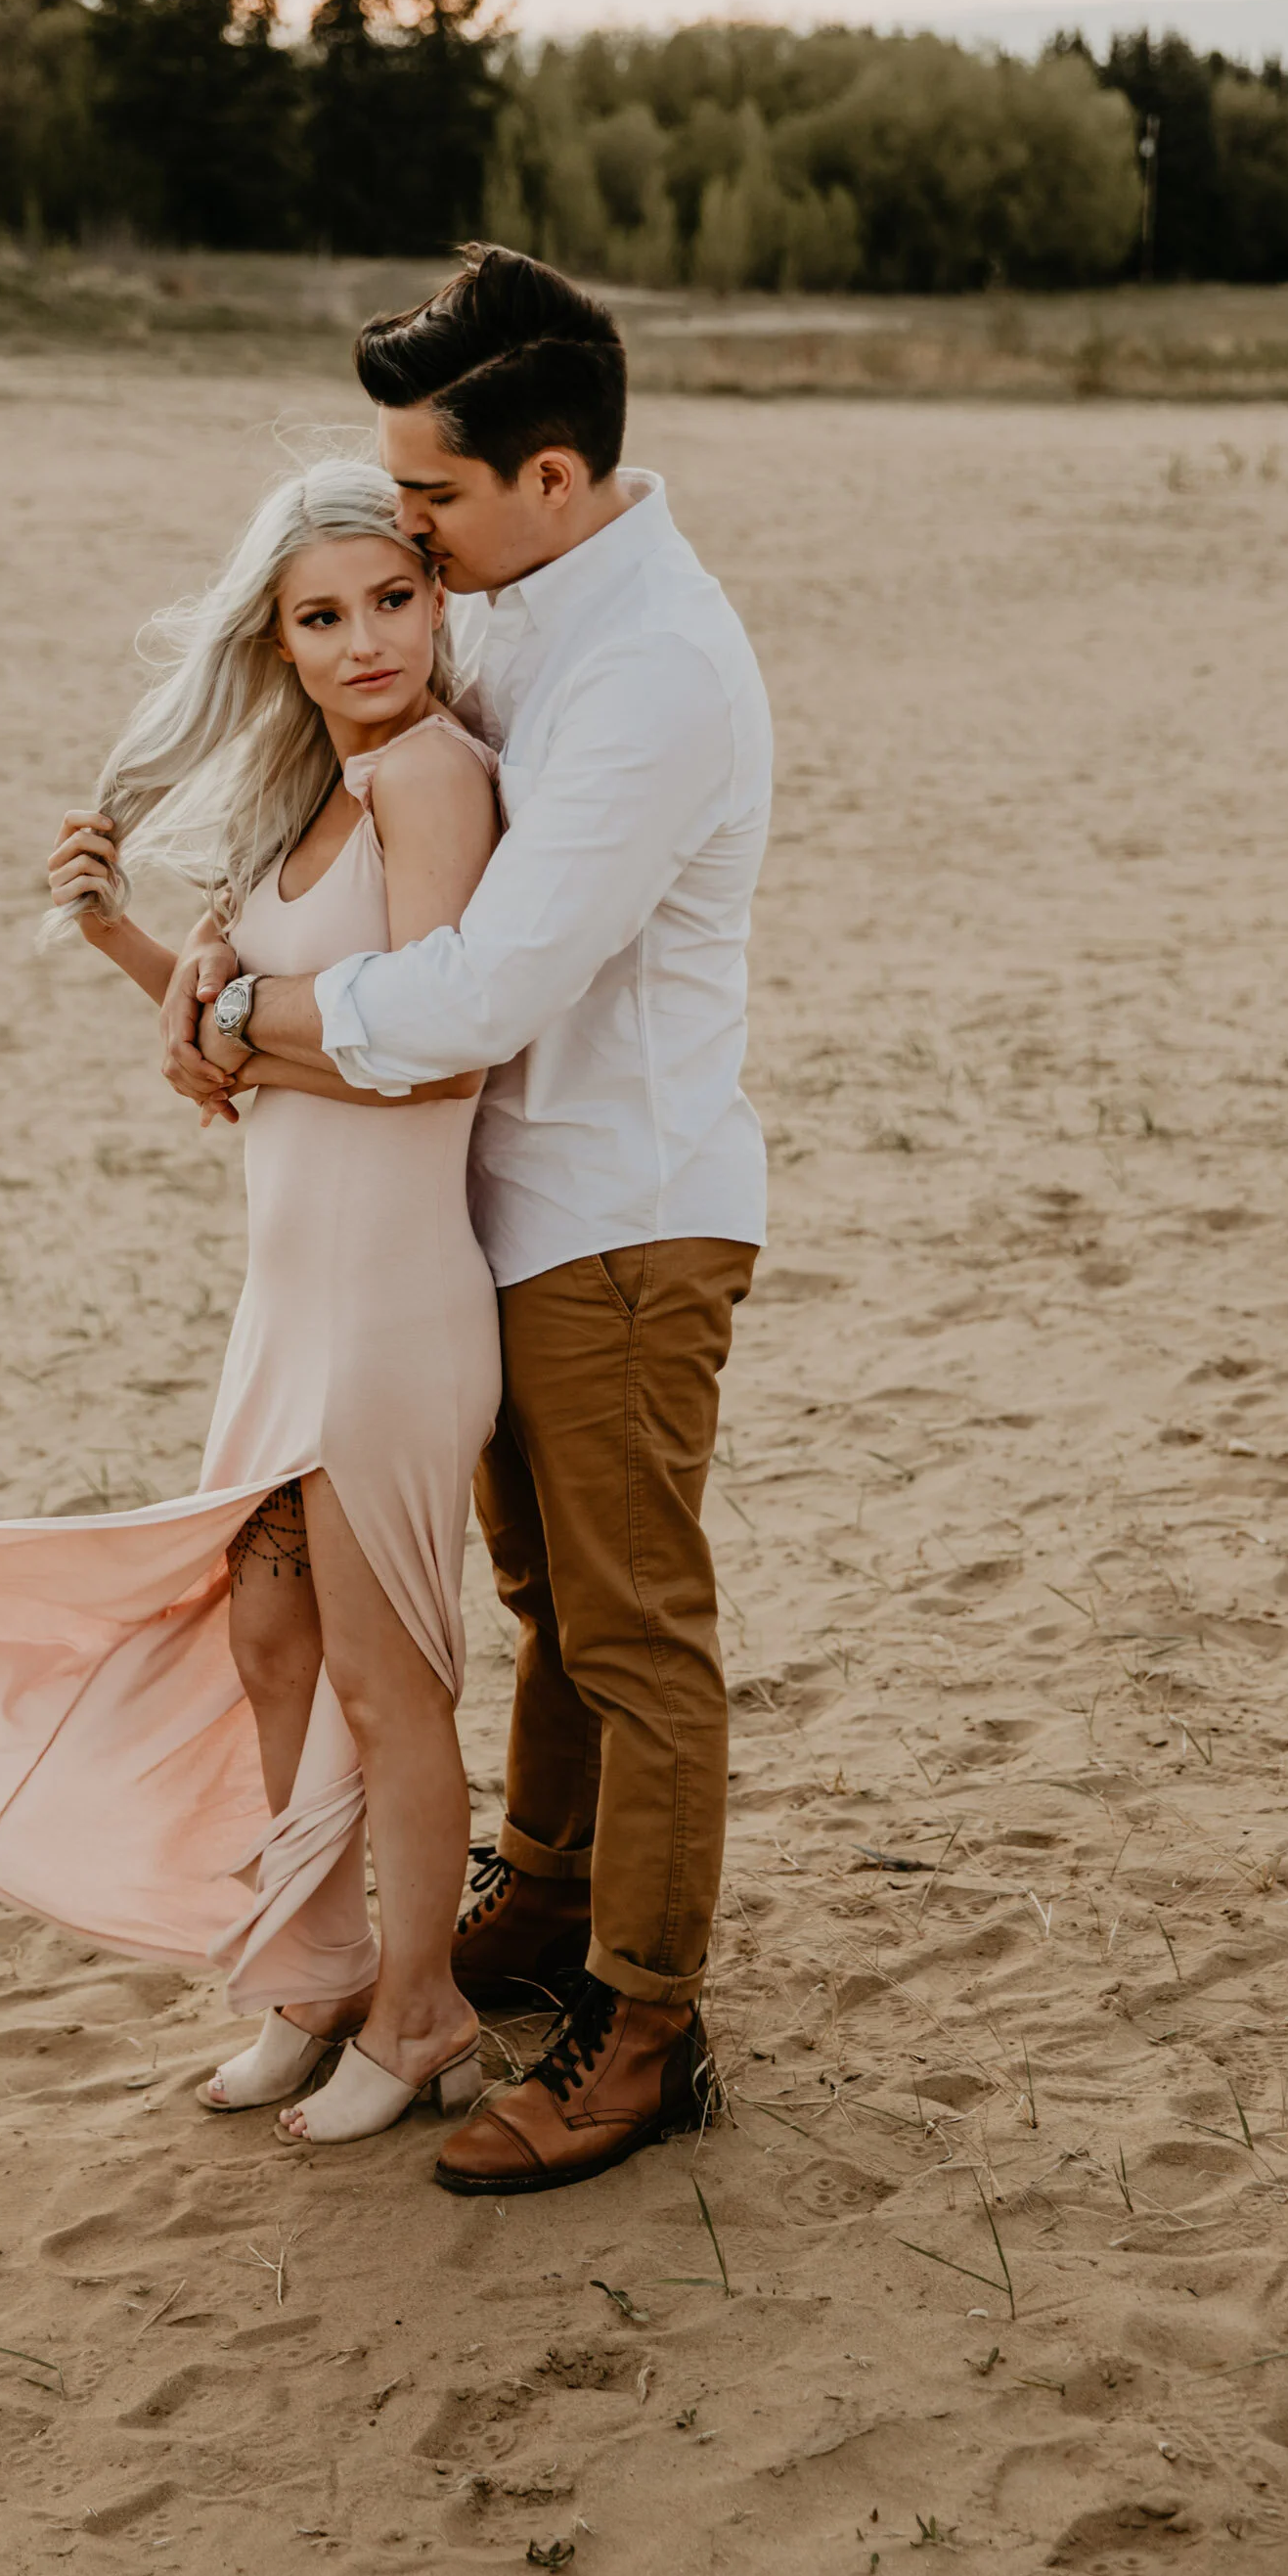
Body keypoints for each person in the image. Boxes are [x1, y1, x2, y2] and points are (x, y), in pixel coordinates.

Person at [0, 460, 504, 2147]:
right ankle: (312, 1977)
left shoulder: (433, 776)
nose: (367, 638)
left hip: (389, 1307)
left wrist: (241, 1020)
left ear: (440, 604)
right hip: (286, 1299)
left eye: (394, 599)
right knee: (269, 1635)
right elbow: (251, 1075)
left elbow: (433, 1039)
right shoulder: (319, 799)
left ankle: (423, 2005)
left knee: (388, 1682)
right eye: (325, 616)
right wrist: (124, 943)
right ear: (280, 646)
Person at [164, 247, 773, 2196]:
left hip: (620, 1208)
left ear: (551, 475)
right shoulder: (516, 609)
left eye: (425, 499)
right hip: (494, 1219)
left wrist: (253, 1020)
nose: (399, 532)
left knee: (633, 1628)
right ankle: (546, 1900)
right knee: (546, 1610)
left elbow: (485, 992)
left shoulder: (649, 671)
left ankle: (644, 2029)